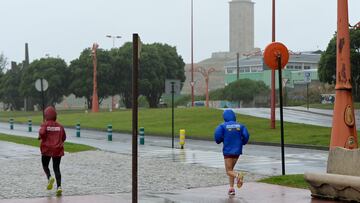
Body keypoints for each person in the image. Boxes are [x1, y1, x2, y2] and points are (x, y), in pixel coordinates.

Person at [214, 109, 250, 196]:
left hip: (228, 151)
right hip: (237, 151)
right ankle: (231, 188)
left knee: (228, 171)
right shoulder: (241, 126)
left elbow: (217, 137)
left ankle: (238, 175)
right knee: (231, 170)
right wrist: (243, 142)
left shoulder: (222, 126)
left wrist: (221, 139)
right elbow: (246, 136)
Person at [38, 106, 66, 196]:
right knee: (57, 168)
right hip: (57, 150)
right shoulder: (60, 126)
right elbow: (64, 137)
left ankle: (49, 177)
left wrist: (41, 137)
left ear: (46, 115)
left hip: (46, 149)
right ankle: (59, 187)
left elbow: (42, 133)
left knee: (45, 165)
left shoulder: (44, 124)